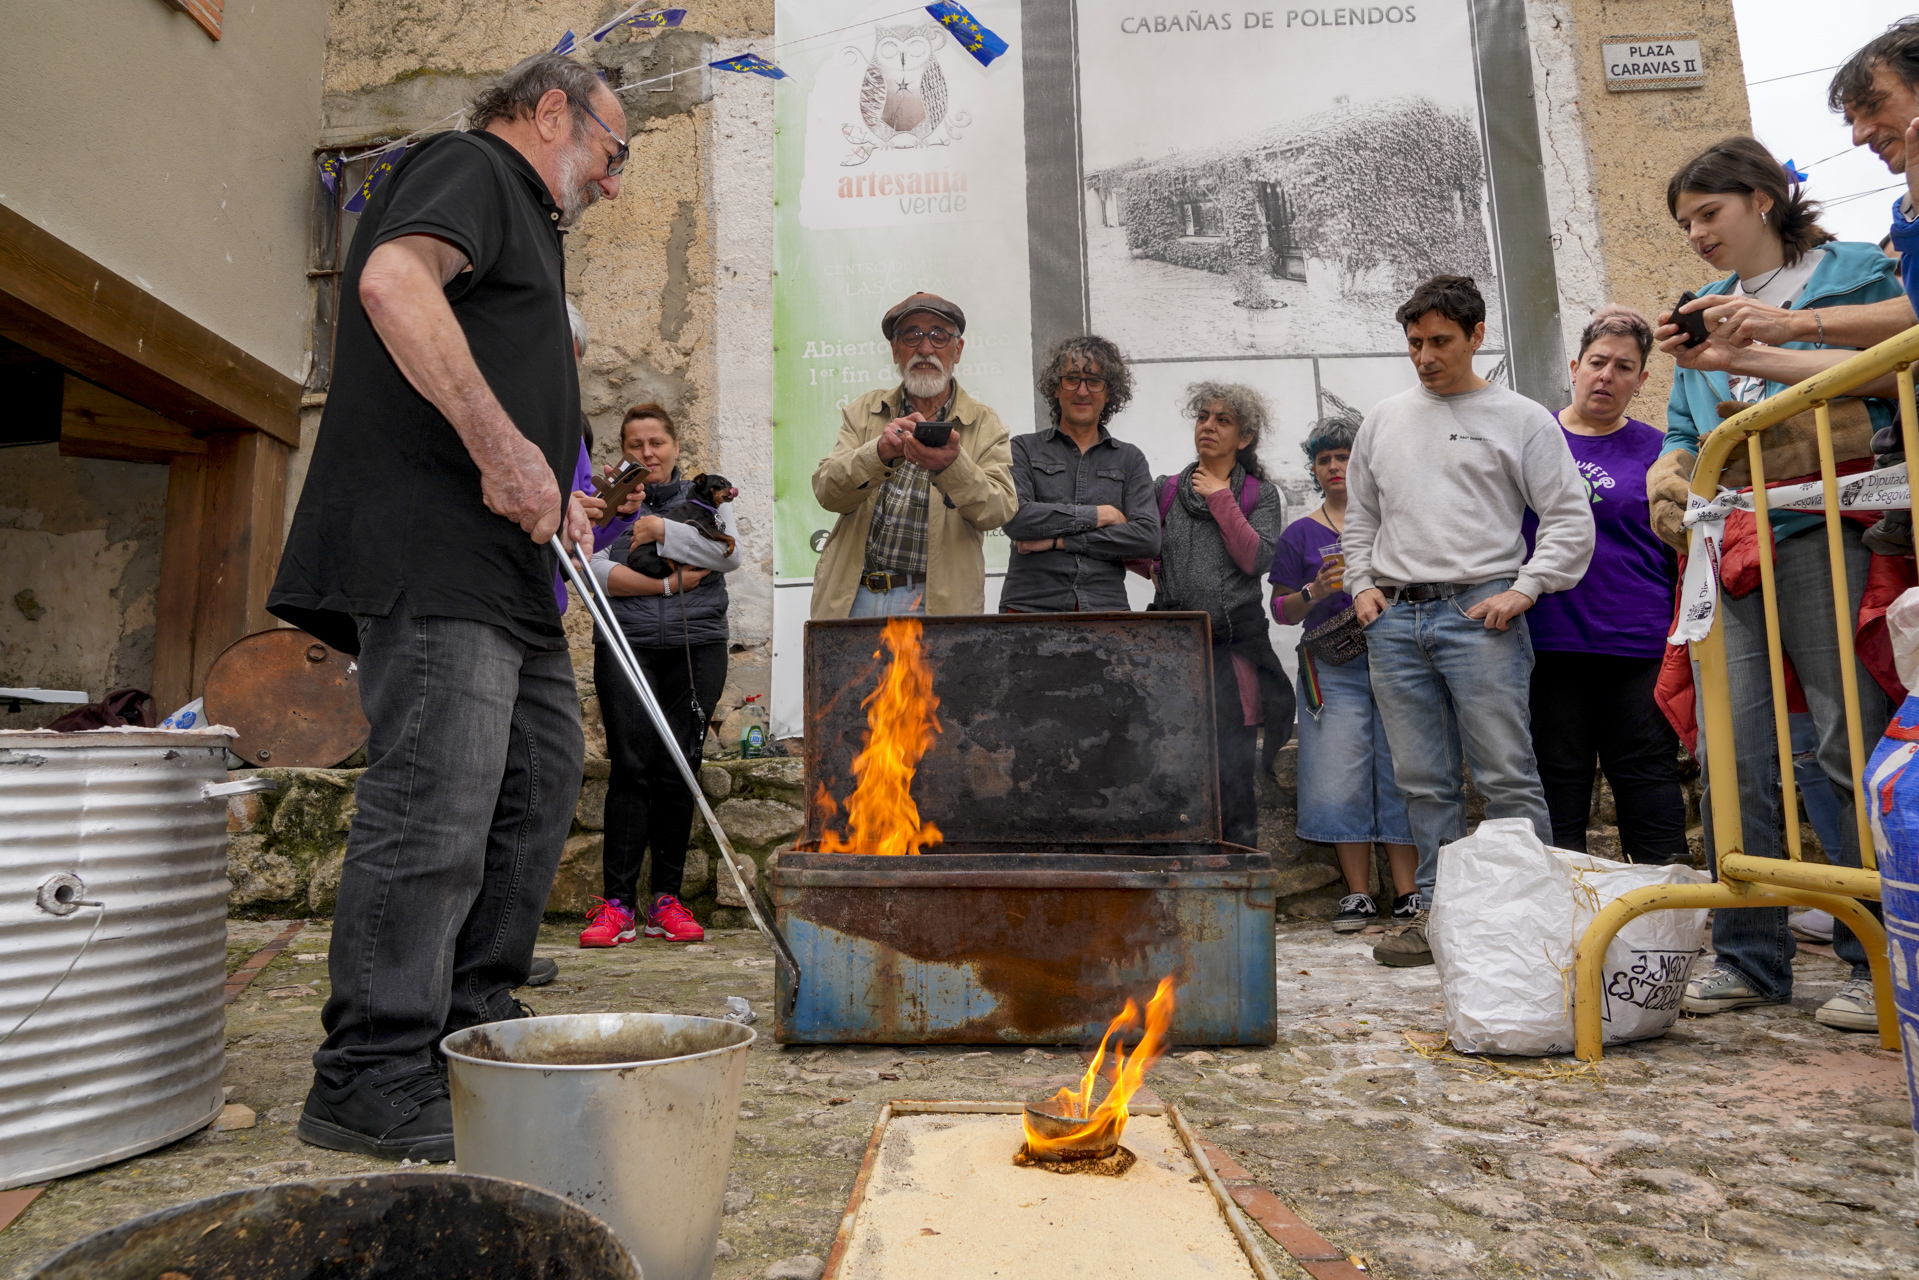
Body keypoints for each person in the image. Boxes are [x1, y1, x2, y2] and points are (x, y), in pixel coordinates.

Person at [267, 52, 627, 1161]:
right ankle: (370, 1069)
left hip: (510, 568)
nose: (614, 182)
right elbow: (391, 284)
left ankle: (469, 1018)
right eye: (613, 153)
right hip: (433, 552)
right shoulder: (470, 165)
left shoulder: (529, 221)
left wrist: (556, 487)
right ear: (553, 111)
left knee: (536, 781)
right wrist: (503, 449)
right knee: (436, 802)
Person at [1651, 137, 1902, 1031]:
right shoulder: (1700, 313)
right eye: (1684, 222)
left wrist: (1779, 344)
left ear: (1762, 197)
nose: (1696, 234)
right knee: (1732, 752)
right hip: (1728, 545)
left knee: (1844, 740)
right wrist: (1668, 473)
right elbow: (1686, 430)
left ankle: (1877, 959)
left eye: (1708, 212)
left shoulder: (1856, 271)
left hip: (1827, 529)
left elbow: (1897, 373)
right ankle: (1749, 960)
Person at [1345, 274, 1594, 969]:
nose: (1425, 357)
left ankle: (1531, 925)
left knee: (1506, 775)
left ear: (1476, 335)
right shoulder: (1383, 419)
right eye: (1414, 343)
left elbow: (1568, 517)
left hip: (1480, 615)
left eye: (1440, 341)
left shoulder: (1523, 418)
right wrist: (1361, 584)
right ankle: (1437, 918)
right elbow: (1361, 515)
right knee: (1422, 781)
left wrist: (1526, 588)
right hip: (1395, 619)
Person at [1522, 306, 1686, 864]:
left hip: (1638, 644)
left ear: (1641, 380)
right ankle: (1562, 907)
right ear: (1575, 367)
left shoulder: (1661, 452)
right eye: (1597, 362)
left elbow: (1678, 549)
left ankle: (1666, 902)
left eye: (1623, 367)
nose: (1606, 376)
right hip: (1547, 642)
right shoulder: (1531, 439)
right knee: (1556, 781)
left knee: (1647, 777)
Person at [582, 403, 740, 949]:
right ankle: (617, 906)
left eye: (656, 443)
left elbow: (727, 555)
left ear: (674, 446)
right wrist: (669, 585)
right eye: (636, 445)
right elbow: (594, 568)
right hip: (626, 645)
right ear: (624, 451)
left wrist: (658, 530)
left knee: (680, 767)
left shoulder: (707, 495)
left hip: (698, 646)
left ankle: (666, 901)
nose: (647, 454)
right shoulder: (608, 499)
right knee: (630, 768)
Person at [1268, 418, 1418, 933]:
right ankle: (1357, 894)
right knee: (1337, 774)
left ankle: (1408, 893)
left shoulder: (1393, 520)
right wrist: (1314, 591)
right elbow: (1280, 611)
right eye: (1324, 459)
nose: (1334, 466)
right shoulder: (1300, 533)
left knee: (1402, 769)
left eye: (1344, 456)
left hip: (1399, 657)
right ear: (1313, 469)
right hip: (1332, 667)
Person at [1140, 383, 1290, 848]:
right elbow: (1140, 547)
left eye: (1223, 420)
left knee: (1233, 772)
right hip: (1173, 655)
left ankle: (1239, 868)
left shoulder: (1260, 495)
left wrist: (1221, 496)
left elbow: (1255, 559)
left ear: (1245, 437)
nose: (1208, 426)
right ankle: (1179, 869)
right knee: (1171, 766)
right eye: (1203, 416)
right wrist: (1156, 567)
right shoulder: (1166, 489)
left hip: (1233, 652)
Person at [810, 293, 1016, 617]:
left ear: (957, 350)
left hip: (935, 604)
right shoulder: (864, 412)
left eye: (939, 335)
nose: (925, 349)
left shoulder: (985, 424)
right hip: (855, 597)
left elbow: (998, 511)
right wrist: (878, 454)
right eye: (912, 335)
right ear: (895, 350)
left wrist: (953, 467)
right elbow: (827, 492)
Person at [999, 335, 1159, 612]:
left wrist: (1058, 541)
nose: (1082, 391)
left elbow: (1147, 538)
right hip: (1030, 608)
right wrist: (1100, 515)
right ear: (1055, 388)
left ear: (1109, 393)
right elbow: (1016, 519)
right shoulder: (1022, 449)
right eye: (1072, 379)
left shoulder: (1130, 459)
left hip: (1106, 610)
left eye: (1094, 381)